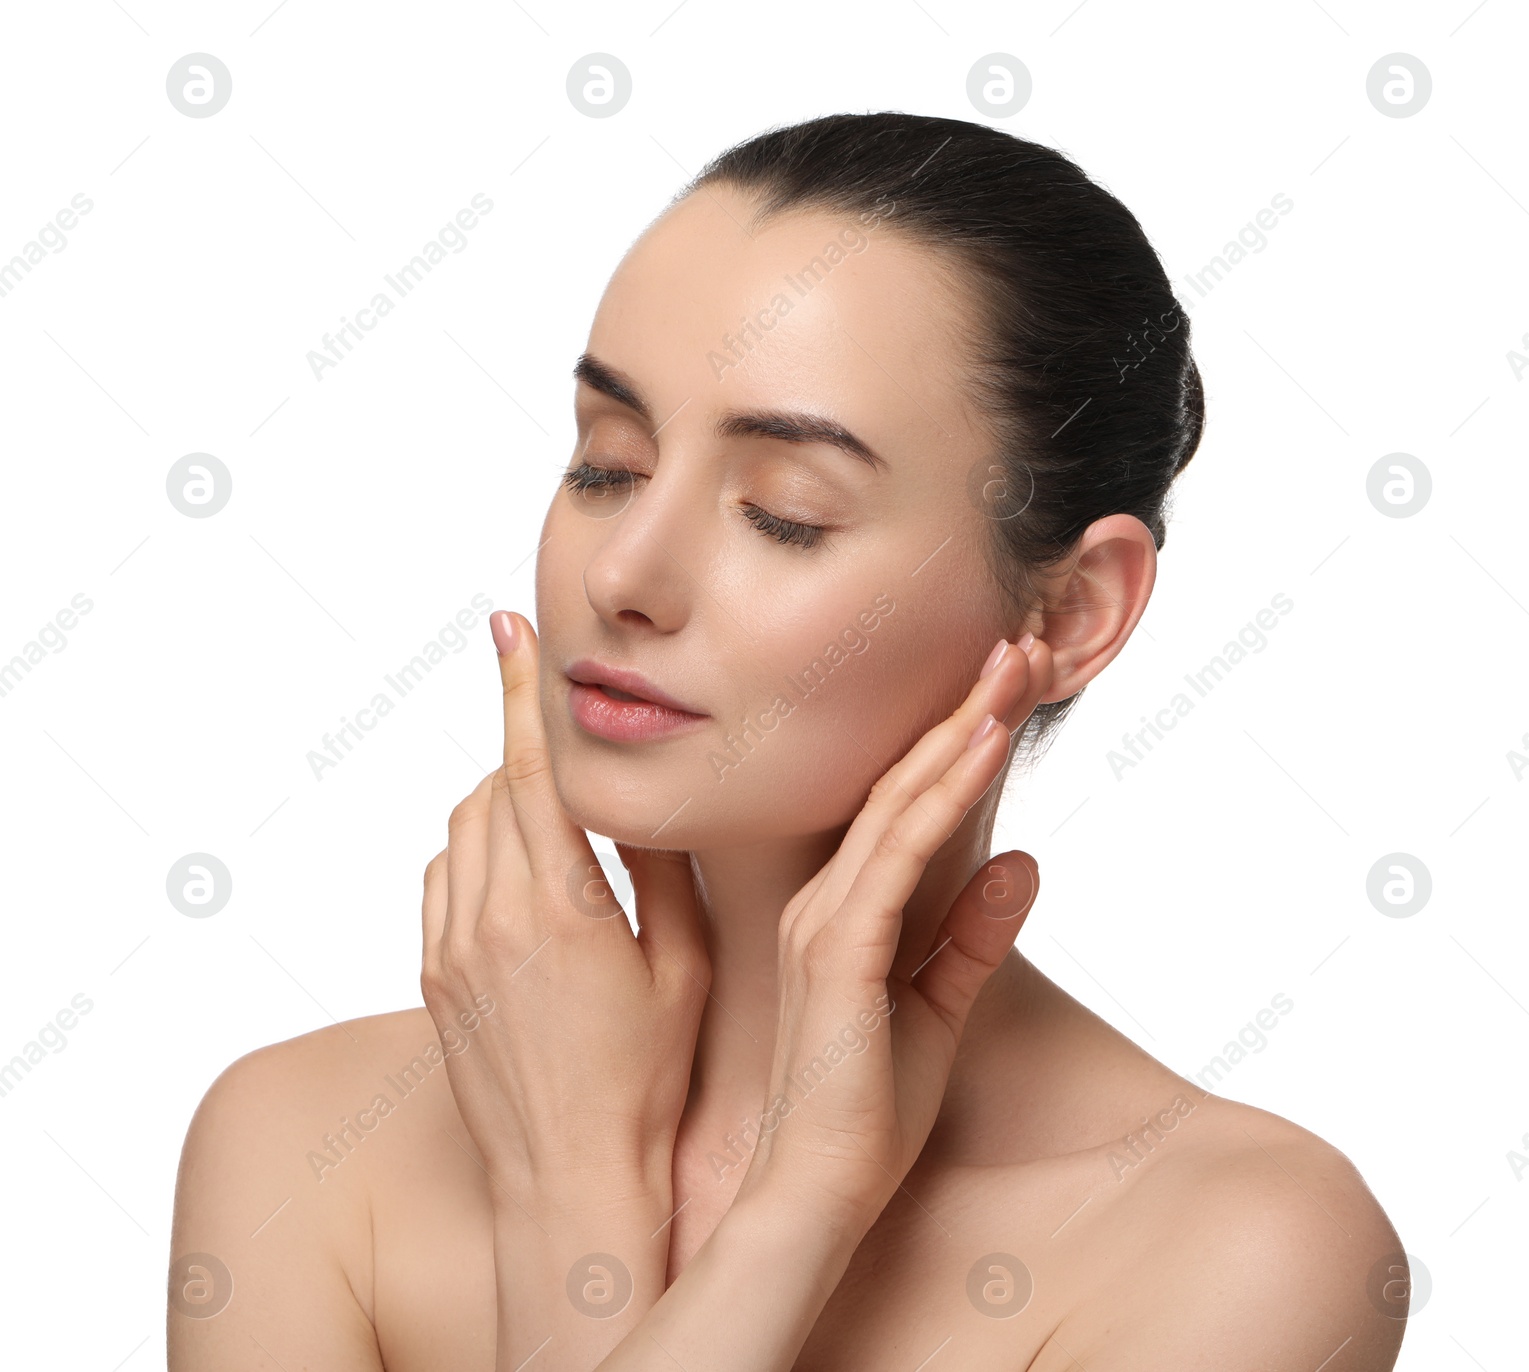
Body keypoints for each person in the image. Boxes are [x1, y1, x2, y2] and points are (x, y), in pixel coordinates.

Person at [169, 111, 1406, 1371]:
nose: (627, 574)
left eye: (784, 514)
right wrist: (579, 1185)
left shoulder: (1236, 1247)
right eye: (607, 465)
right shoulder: (296, 1146)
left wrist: (747, 1214)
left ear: (1071, 609)